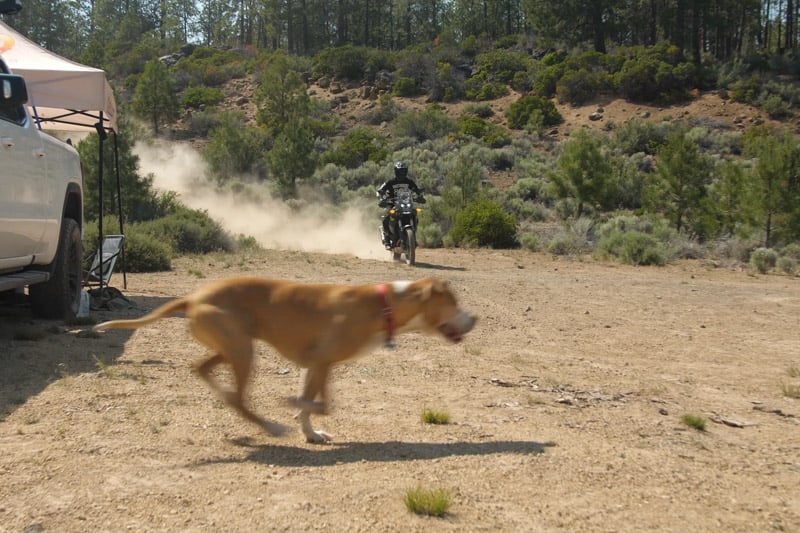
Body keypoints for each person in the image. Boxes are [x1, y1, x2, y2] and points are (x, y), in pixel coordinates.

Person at [377, 161, 425, 249]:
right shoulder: (390, 182)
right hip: (392, 203)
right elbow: (380, 190)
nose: (402, 173)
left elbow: (416, 189)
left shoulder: (409, 182)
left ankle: (412, 237)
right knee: (386, 217)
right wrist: (381, 198)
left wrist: (420, 196)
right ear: (396, 172)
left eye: (403, 171)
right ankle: (387, 240)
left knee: (414, 213)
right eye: (400, 171)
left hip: (406, 203)